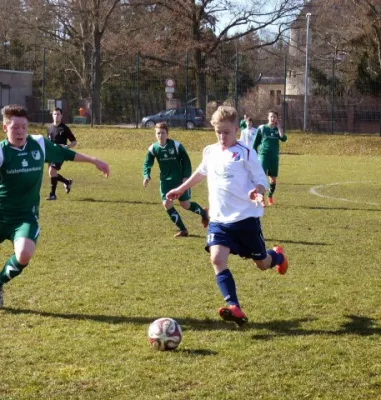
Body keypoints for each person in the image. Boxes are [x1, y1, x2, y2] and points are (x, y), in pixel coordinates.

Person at [166, 106, 288, 327]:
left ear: (236, 129)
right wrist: (180, 189)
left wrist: (257, 191)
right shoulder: (210, 152)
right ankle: (234, 306)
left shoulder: (246, 153)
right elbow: (201, 172)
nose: (222, 137)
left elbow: (261, 181)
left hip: (245, 220)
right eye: (218, 132)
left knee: (262, 263)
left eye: (227, 132)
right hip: (219, 221)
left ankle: (278, 256)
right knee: (216, 259)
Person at [0, 104, 109, 308]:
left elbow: (65, 154)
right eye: (15, 127)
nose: (21, 131)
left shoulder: (39, 144)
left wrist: (95, 161)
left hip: (25, 216)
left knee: (24, 254)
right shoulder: (2, 151)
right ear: (5, 128)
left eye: (24, 127)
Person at [143, 122, 209, 237]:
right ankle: (183, 230)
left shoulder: (176, 146)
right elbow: (147, 162)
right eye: (158, 133)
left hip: (179, 181)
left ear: (167, 134)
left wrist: (186, 177)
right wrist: (146, 175)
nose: (160, 135)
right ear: (155, 134)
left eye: (163, 133)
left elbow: (186, 161)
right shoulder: (154, 148)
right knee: (167, 204)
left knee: (185, 205)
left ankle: (204, 213)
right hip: (165, 182)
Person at [253, 110, 287, 206]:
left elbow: (283, 138)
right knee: (262, 178)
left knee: (273, 180)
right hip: (263, 156)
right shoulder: (262, 128)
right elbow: (255, 143)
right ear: (268, 117)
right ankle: (262, 198)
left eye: (274, 117)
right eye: (271, 116)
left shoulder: (277, 129)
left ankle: (270, 196)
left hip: (274, 158)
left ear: (277, 119)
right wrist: (253, 155)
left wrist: (279, 127)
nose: (273, 118)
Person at [46, 107, 77, 200]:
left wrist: (66, 147)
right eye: (54, 114)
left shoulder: (65, 128)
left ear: (61, 116)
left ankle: (52, 194)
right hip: (50, 153)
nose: (56, 116)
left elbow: (74, 142)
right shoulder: (50, 127)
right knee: (52, 174)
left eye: (58, 114)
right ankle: (67, 182)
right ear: (52, 115)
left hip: (60, 154)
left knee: (52, 171)